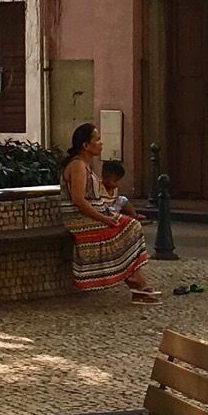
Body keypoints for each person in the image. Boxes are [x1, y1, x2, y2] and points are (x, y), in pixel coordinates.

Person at [61, 122, 160, 304]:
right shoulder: (77, 166)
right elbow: (79, 200)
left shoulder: (86, 165)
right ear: (86, 145)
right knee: (123, 230)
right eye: (97, 139)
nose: (101, 143)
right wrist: (104, 218)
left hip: (93, 213)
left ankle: (139, 284)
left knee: (131, 226)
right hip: (79, 218)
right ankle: (138, 286)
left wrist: (108, 214)